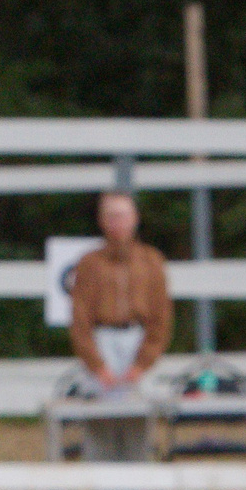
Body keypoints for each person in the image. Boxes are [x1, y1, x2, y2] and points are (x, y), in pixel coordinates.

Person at [66, 189, 172, 461]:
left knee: (138, 421)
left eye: (123, 215)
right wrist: (97, 365)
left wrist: (143, 362)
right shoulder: (89, 264)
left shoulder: (151, 261)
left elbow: (161, 317)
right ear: (102, 221)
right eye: (111, 216)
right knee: (100, 424)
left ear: (135, 218)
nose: (118, 222)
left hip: (137, 340)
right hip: (102, 341)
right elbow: (80, 320)